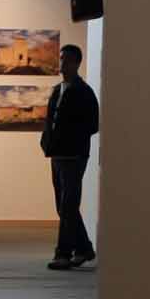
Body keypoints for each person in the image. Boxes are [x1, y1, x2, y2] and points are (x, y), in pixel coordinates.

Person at [42, 45, 100, 269]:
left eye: (66, 60)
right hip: (57, 154)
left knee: (68, 205)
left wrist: (72, 139)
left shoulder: (84, 92)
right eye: (61, 59)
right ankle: (84, 248)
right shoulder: (58, 90)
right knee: (63, 205)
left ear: (77, 63)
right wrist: (46, 141)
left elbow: (93, 124)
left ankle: (63, 254)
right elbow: (50, 120)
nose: (62, 63)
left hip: (74, 156)